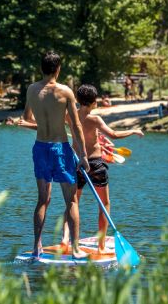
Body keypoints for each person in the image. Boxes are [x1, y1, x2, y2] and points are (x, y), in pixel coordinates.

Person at [19, 51, 90, 259]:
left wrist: (43, 125)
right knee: (71, 201)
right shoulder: (66, 92)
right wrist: (84, 155)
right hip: (60, 148)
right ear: (58, 69)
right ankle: (76, 249)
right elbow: (76, 125)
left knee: (42, 200)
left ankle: (36, 247)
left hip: (40, 147)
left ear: (41, 68)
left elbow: (26, 119)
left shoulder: (32, 90)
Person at [62, 84, 144, 251]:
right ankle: (101, 246)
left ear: (78, 100)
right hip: (95, 164)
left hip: (76, 163)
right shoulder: (95, 120)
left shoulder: (69, 116)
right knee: (104, 204)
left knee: (72, 202)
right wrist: (133, 130)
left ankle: (65, 239)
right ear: (93, 102)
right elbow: (114, 134)